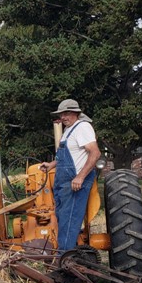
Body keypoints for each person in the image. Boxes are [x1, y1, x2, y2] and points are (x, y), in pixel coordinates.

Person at [39, 99, 101, 253]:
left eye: (67, 113)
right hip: (63, 183)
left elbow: (95, 153)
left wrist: (80, 177)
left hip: (75, 183)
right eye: (61, 114)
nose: (63, 117)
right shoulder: (69, 130)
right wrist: (51, 165)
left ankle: (65, 262)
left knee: (69, 221)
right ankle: (67, 255)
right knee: (62, 219)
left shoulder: (83, 127)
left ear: (76, 113)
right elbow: (65, 156)